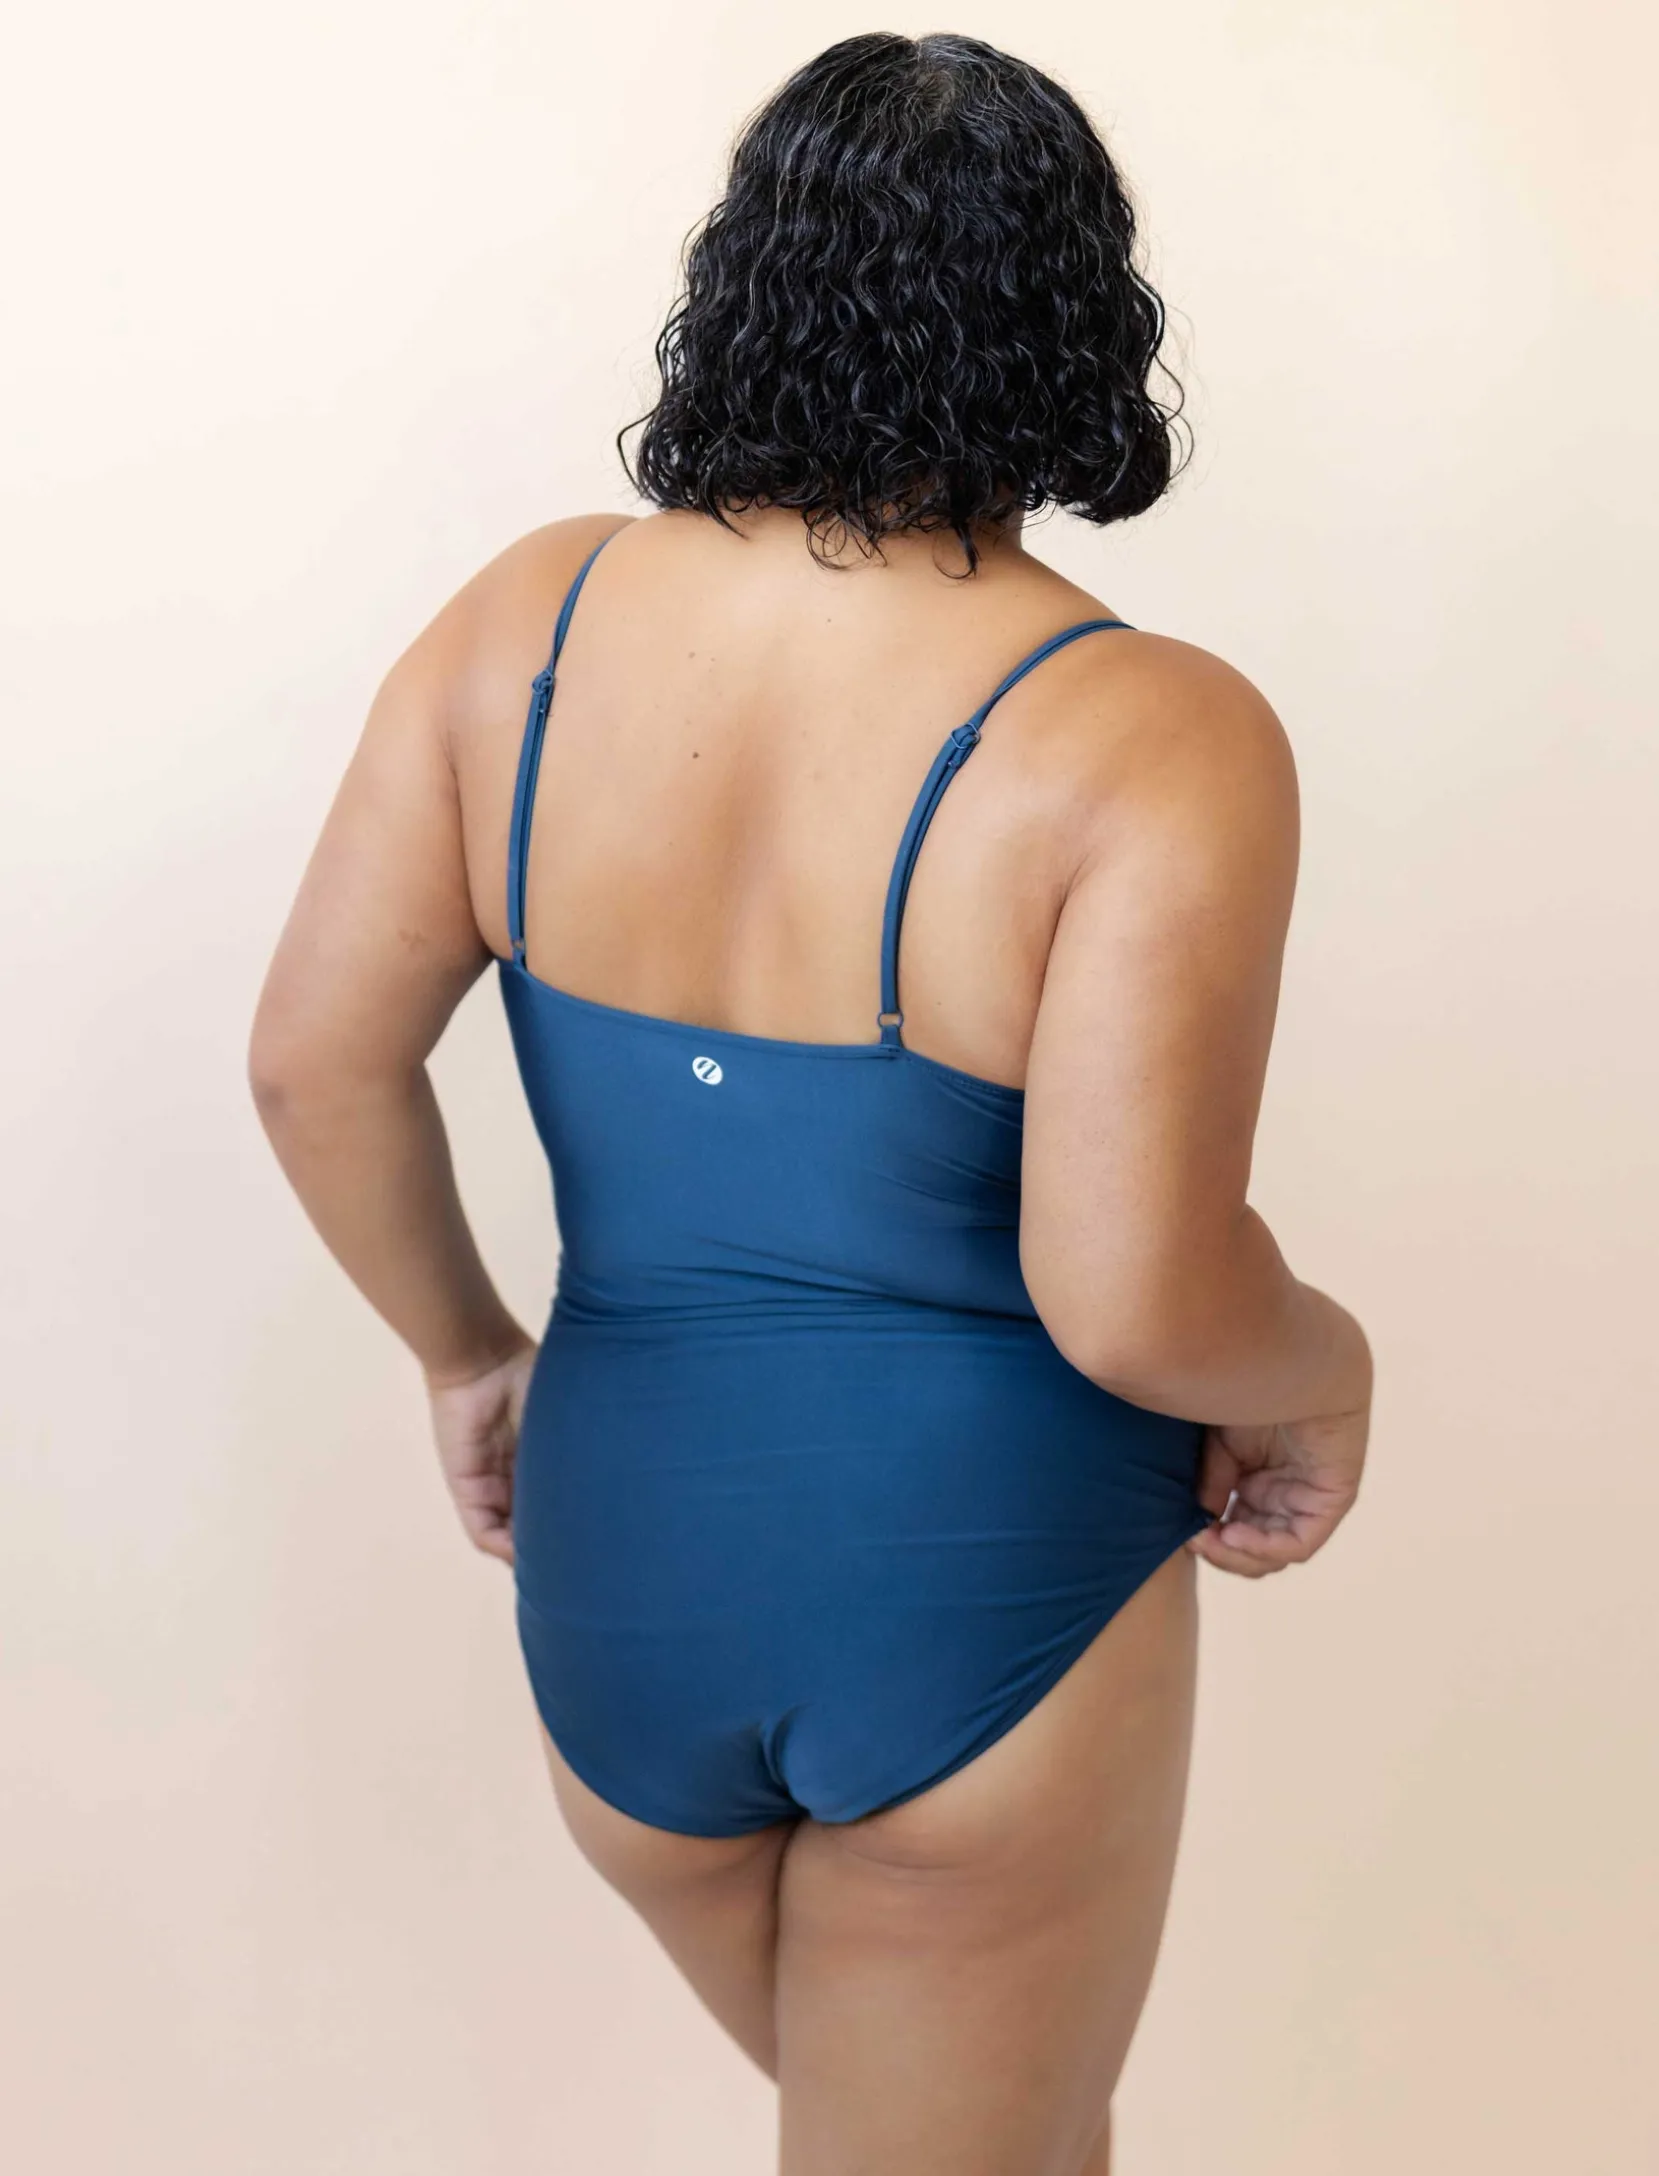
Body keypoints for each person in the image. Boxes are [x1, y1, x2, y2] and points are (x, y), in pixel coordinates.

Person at [249, 31, 1371, 2176]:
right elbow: (1133, 1293)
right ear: (1077, 322)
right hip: (983, 1599)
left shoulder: (525, 625)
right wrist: (1328, 1369)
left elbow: (312, 1058)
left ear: (745, 277)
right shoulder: (1151, 734)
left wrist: (470, 1354)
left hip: (620, 1569)